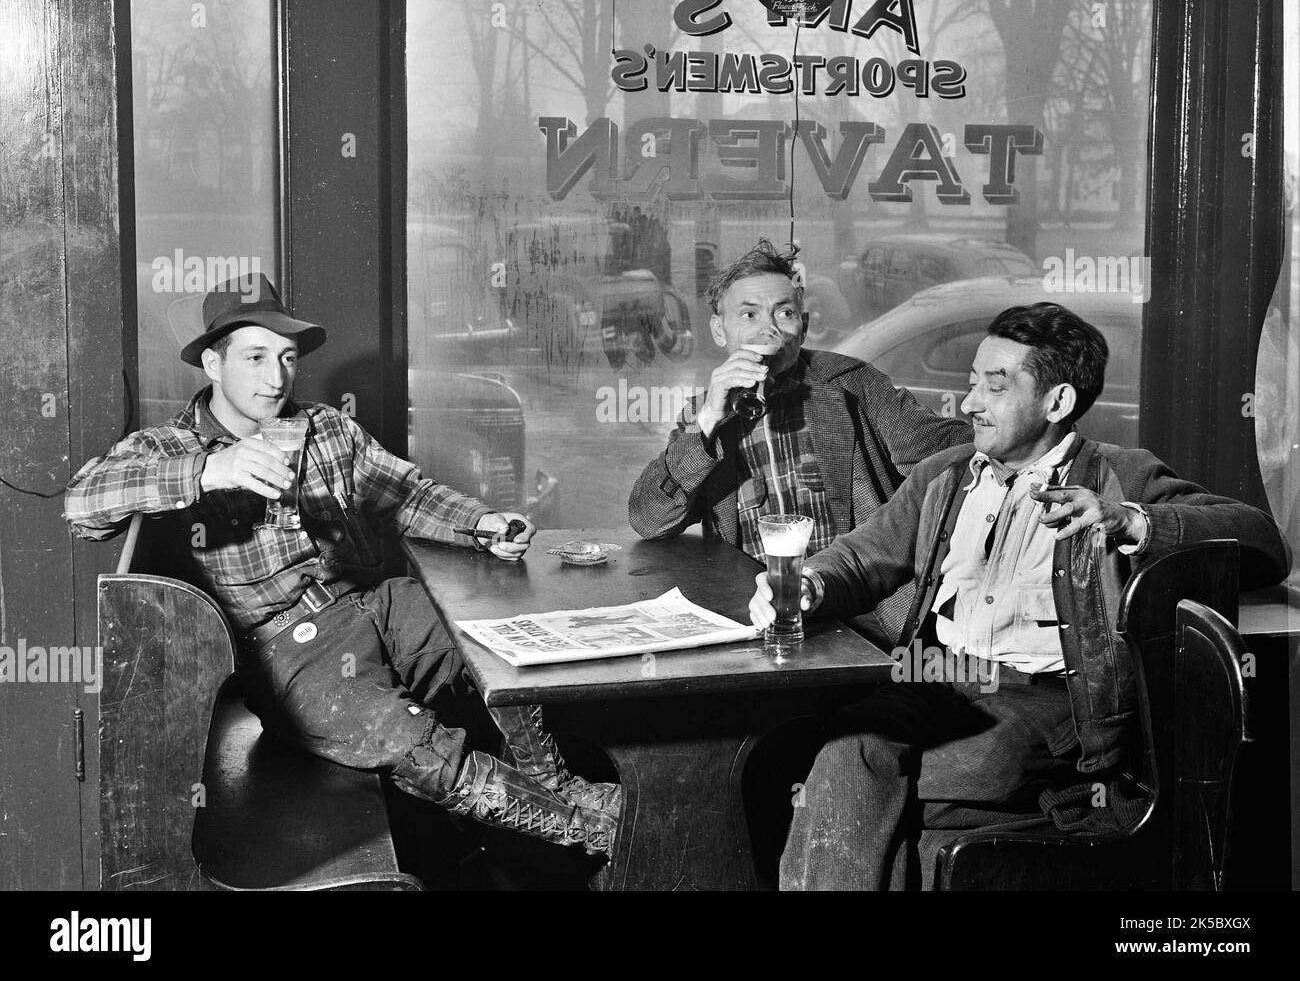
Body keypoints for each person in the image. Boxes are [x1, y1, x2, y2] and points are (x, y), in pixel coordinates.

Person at [65, 274, 619, 856]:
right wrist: (211, 472)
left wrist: (480, 524)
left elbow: (407, 495)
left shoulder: (326, 427)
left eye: (286, 357)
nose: (275, 377)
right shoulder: (170, 447)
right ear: (212, 362)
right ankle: (598, 834)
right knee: (415, 744)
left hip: (371, 608)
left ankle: (560, 787)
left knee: (501, 636)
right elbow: (82, 504)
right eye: (254, 357)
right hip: (288, 654)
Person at [749, 301, 1292, 890]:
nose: (969, 404)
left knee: (857, 771)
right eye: (972, 383)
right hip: (936, 679)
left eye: (996, 386)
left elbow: (1261, 542)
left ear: (1057, 402)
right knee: (862, 773)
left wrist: (1130, 522)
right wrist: (810, 583)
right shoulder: (947, 474)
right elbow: (861, 555)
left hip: (1049, 702)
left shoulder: (1118, 475)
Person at [628, 238, 970, 644]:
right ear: (720, 331)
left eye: (784, 313)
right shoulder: (706, 411)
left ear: (803, 327)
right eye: (749, 314)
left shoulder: (852, 384)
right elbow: (648, 519)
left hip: (865, 617)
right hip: (759, 612)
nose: (768, 330)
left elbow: (957, 452)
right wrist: (706, 422)